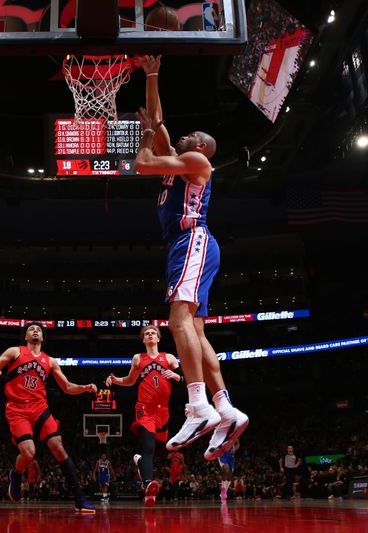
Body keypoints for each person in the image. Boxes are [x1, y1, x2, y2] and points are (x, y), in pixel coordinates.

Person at [133, 55, 248, 459]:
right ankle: (226, 408)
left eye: (189, 136)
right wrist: (152, 74)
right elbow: (158, 120)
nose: (179, 137)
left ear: (200, 146)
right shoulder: (179, 165)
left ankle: (197, 404)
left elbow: (142, 163)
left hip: (192, 240)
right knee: (197, 333)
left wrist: (146, 137)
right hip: (192, 246)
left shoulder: (196, 161)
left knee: (177, 319)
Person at [0, 322, 97, 513]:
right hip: (17, 409)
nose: (35, 330)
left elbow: (67, 387)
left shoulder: (50, 361)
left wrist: (84, 387)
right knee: (29, 453)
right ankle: (16, 473)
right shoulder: (14, 352)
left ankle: (79, 498)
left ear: (43, 338)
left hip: (40, 408)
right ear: (26, 337)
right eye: (31, 329)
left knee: (58, 446)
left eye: (39, 330)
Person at [105, 324, 182, 506]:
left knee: (162, 450)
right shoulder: (138, 358)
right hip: (145, 409)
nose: (149, 335)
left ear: (158, 338)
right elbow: (130, 381)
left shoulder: (169, 358)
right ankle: (148, 486)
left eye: (152, 333)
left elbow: (183, 381)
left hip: (163, 410)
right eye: (146, 334)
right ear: (143, 339)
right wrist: (116, 380)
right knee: (148, 447)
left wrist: (177, 377)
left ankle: (138, 461)